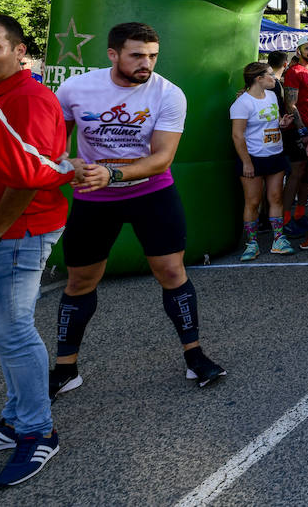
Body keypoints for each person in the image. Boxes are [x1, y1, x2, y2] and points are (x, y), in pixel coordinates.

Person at [52, 21, 227, 396]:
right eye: (137, 55)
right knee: (80, 280)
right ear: (113, 54)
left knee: (171, 271)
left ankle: (194, 356)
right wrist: (69, 164)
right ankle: (66, 368)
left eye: (152, 56)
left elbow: (162, 159)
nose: (146, 63)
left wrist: (111, 173)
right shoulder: (75, 89)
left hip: (151, 193)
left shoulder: (169, 93)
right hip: (93, 198)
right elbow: (54, 146)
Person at [0, 72, 92, 496]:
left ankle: (38, 431)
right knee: (2, 330)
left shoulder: (27, 99)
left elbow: (28, 175)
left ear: (18, 51)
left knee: (12, 330)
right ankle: (17, 421)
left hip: (15, 231)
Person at [229, 62, 294, 261]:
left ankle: (279, 240)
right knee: (253, 202)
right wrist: (247, 162)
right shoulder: (242, 103)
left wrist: (281, 125)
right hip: (253, 158)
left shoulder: (273, 96)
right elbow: (237, 136)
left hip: (275, 154)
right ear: (258, 79)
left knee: (275, 198)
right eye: (270, 75)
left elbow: (272, 123)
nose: (274, 78)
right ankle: (251, 243)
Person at [283, 40, 308, 247]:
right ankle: (286, 219)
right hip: (298, 131)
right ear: (299, 51)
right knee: (296, 174)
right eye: (307, 48)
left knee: (307, 176)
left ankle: (299, 214)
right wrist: (302, 130)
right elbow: (290, 103)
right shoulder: (294, 72)